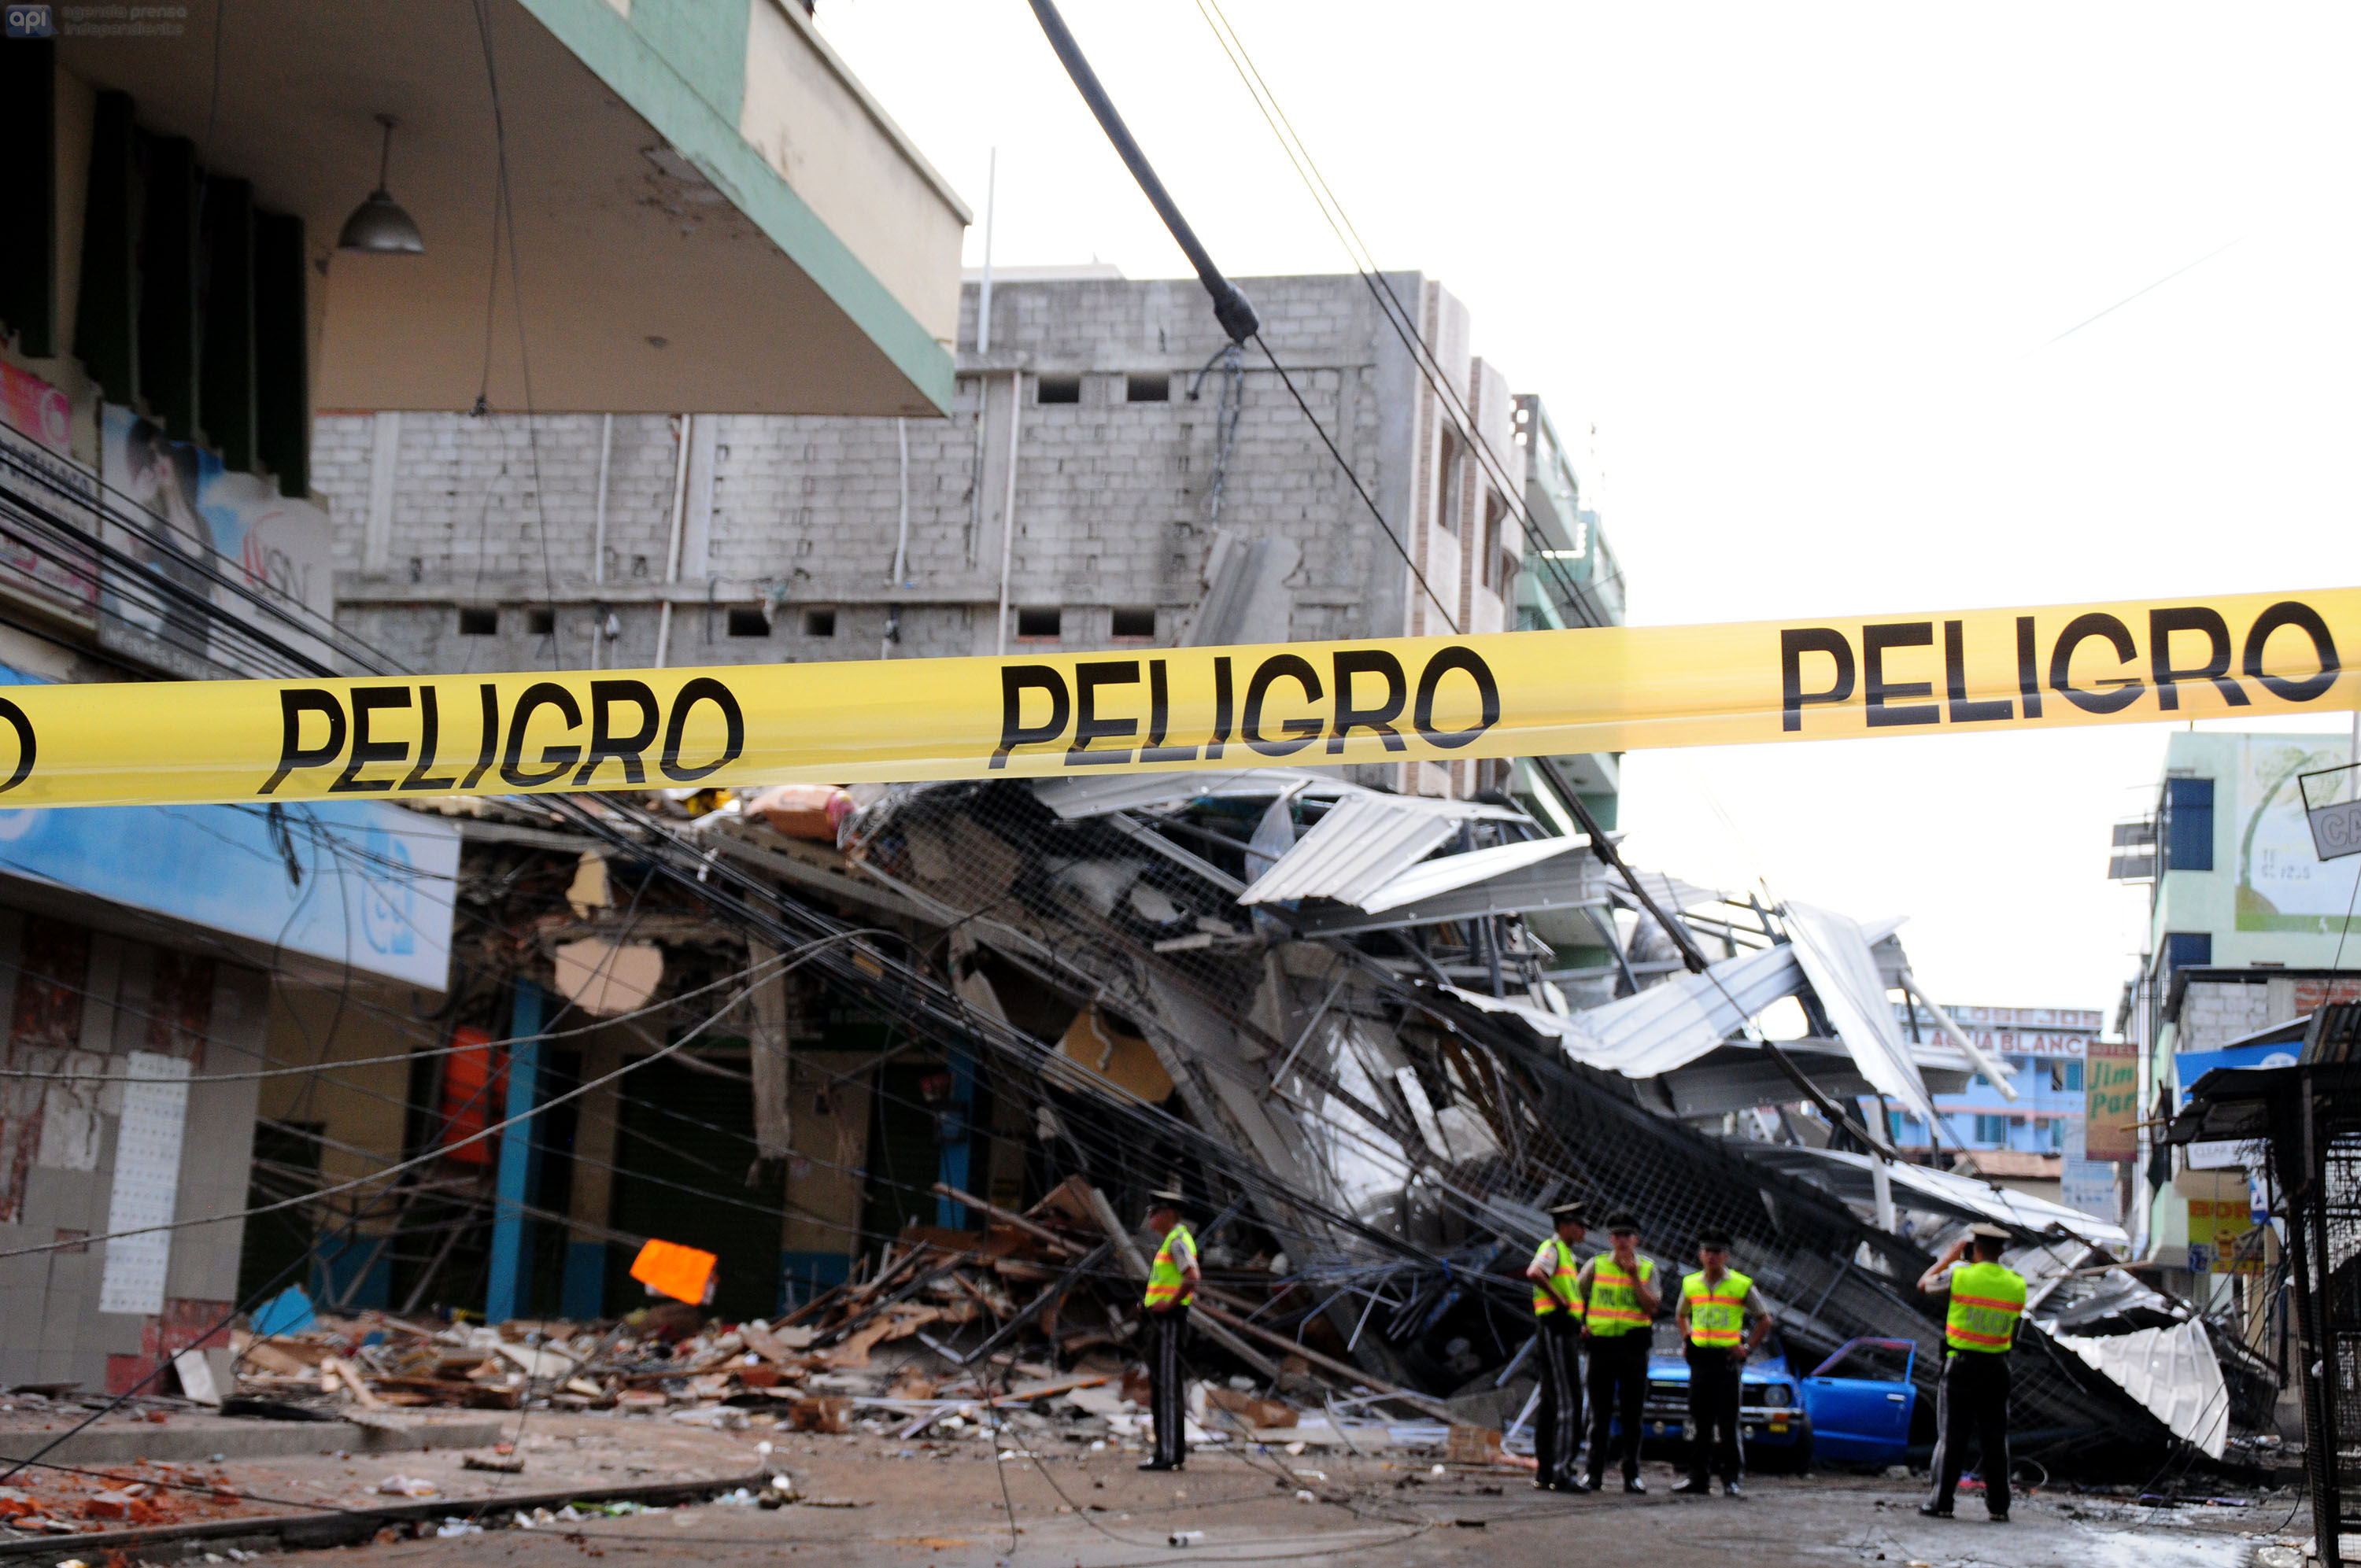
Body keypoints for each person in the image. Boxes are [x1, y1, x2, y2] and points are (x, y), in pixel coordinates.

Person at [1917, 1223, 2025, 1523]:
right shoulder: (2016, 1283)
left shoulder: (1960, 1275)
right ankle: (2000, 1506)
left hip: (1962, 1367)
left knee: (1952, 1437)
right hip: (1998, 1368)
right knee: (1995, 1439)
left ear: (1974, 1248)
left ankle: (1942, 1502)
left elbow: (1924, 1285)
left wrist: (1950, 1257)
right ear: (2001, 1252)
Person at [1672, 1230, 1772, 1499]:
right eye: (1707, 1251)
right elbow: (1681, 1315)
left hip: (1726, 1361)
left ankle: (1730, 1479)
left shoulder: (1741, 1284)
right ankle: (1698, 1478)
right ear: (1700, 1254)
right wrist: (1687, 1338)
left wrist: (1748, 1348)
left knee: (1728, 1421)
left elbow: (1764, 1319)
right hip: (1701, 1359)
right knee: (1700, 1420)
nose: (1711, 1256)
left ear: (1725, 1256)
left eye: (1717, 1252)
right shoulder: (1691, 1283)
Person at [1580, 1212, 1661, 1494]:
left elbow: (1652, 1306)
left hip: (1633, 1348)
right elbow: (1575, 1295)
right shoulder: (1596, 1265)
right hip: (1601, 1346)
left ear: (1636, 1239)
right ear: (1610, 1239)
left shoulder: (1648, 1268)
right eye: (1617, 1235)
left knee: (1631, 1415)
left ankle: (1631, 1475)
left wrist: (1634, 1277)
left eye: (1627, 1236)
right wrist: (1580, 1324)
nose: (1622, 1241)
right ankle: (1593, 1474)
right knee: (1598, 1415)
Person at [1522, 1200, 1591, 1492]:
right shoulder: (1553, 1249)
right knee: (1567, 1400)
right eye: (1579, 1225)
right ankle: (1562, 1471)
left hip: (1565, 1329)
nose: (1583, 1230)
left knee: (1553, 1401)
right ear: (1565, 1227)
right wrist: (1560, 1301)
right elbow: (1535, 1273)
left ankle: (1548, 1469)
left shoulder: (1566, 1254)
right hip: (1556, 1329)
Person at [1138, 1188, 1201, 1473]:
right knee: (1162, 1385)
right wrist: (1150, 1304)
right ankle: (1166, 1451)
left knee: (1166, 1387)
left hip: (1170, 1322)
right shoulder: (1170, 1242)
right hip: (1160, 1320)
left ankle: (1168, 1454)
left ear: (1169, 1215)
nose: (1150, 1217)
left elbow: (1192, 1277)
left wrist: (1168, 1305)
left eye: (1155, 1212)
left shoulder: (1176, 1242)